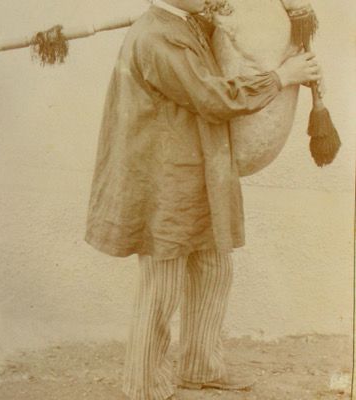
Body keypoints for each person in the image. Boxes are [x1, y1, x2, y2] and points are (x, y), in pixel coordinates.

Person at [84, 1, 322, 399]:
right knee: (163, 284)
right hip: (163, 179)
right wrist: (280, 77)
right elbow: (214, 99)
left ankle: (200, 366)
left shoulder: (183, 24)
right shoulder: (156, 37)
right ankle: (143, 384)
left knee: (213, 267)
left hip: (198, 171)